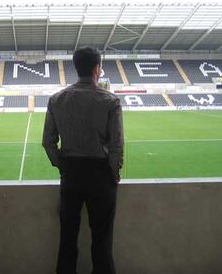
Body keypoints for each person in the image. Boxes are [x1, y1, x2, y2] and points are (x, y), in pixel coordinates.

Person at [42, 46, 124, 274]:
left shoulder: (57, 99)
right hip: (100, 175)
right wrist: (114, 172)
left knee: (68, 236)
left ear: (76, 68)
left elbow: (48, 142)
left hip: (71, 173)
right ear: (97, 69)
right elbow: (116, 145)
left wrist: (62, 166)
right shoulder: (111, 101)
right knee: (102, 239)